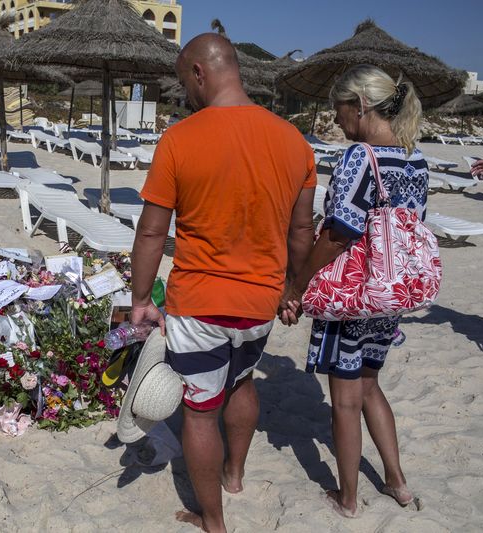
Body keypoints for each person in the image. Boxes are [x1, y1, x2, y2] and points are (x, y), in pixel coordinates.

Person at [130, 33, 317, 533]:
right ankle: (234, 473)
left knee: (198, 411)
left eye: (182, 82)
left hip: (200, 302)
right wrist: (293, 290)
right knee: (240, 381)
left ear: (199, 73)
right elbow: (302, 231)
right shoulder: (294, 142)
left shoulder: (181, 138)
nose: (185, 94)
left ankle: (212, 519)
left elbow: (152, 230)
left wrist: (141, 300)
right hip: (259, 303)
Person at [279, 64, 425, 518]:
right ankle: (397, 481)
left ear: (359, 106)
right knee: (368, 386)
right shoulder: (414, 157)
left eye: (338, 109)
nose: (337, 119)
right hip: (392, 288)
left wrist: (299, 284)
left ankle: (346, 499)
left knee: (343, 398)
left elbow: (339, 232)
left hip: (353, 290)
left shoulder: (362, 157)